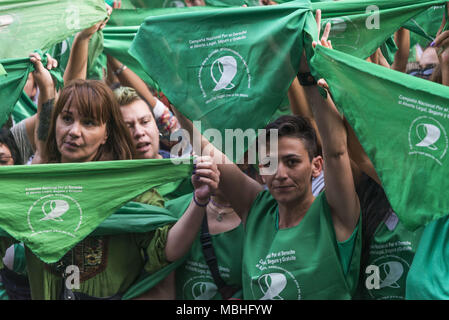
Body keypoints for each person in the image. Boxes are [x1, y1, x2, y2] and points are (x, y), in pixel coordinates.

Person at [0, 52, 220, 300]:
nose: (74, 131)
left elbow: (166, 249)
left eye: (89, 123)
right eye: (67, 119)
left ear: (106, 134)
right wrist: (46, 86)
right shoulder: (35, 186)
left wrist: (199, 201)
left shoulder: (130, 189)